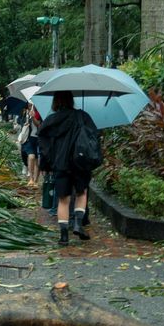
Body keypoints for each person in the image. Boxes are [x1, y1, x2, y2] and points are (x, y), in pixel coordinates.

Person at [36, 90, 101, 246]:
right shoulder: (82, 116)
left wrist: (48, 163)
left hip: (60, 165)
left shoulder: (50, 120)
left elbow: (43, 143)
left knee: (63, 200)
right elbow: (94, 136)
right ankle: (78, 224)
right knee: (81, 193)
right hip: (80, 163)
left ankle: (63, 236)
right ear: (71, 100)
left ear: (55, 102)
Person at [17, 106, 41, 185]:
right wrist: (26, 121)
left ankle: (36, 181)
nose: (30, 106)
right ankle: (31, 178)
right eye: (29, 105)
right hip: (28, 139)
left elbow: (39, 125)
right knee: (31, 156)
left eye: (32, 105)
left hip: (38, 139)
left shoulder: (40, 113)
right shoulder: (25, 113)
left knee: (38, 161)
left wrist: (33, 117)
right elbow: (19, 121)